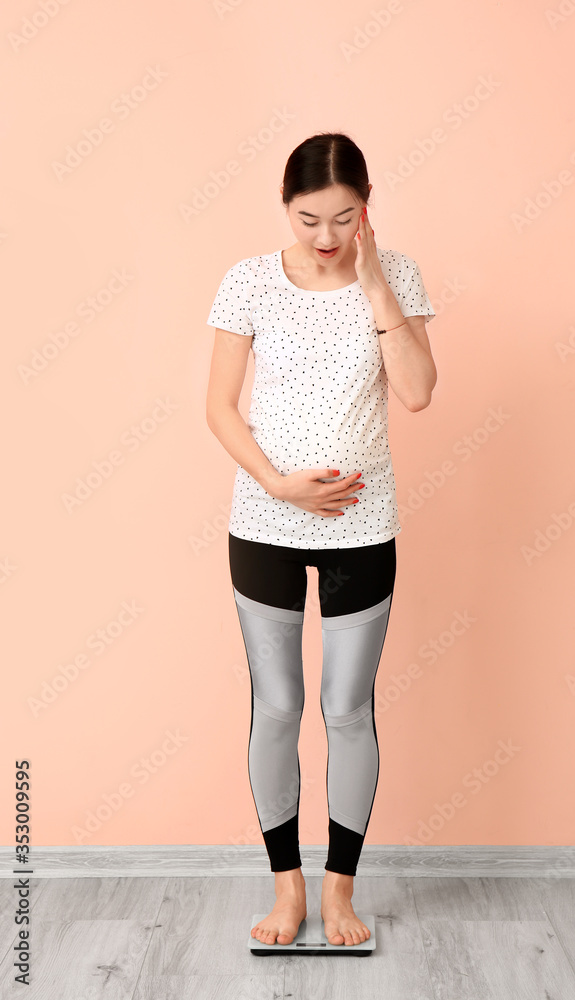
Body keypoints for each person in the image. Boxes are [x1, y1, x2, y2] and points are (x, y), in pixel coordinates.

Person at [205, 132, 437, 948]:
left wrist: (373, 285)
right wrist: (276, 484)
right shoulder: (248, 282)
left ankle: (340, 893)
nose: (327, 237)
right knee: (277, 705)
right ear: (286, 207)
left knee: (345, 710)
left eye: (343, 218)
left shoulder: (396, 273)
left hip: (362, 526)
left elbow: (414, 394)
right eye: (309, 219)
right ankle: (288, 891)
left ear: (365, 207)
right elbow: (220, 409)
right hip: (263, 520)